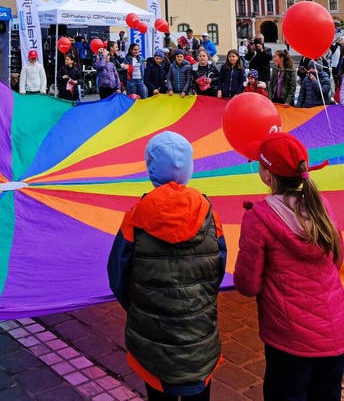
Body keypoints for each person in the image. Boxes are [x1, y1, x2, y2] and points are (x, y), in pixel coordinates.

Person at [107, 131, 226, 400]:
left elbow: (118, 275)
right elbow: (218, 268)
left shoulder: (136, 217)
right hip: (200, 338)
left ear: (151, 169)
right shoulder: (210, 215)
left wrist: (141, 307)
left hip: (153, 344)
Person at [233, 132, 344, 400]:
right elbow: (337, 259)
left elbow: (248, 285)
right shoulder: (321, 206)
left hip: (289, 340)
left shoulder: (259, 217)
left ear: (268, 175)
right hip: (335, 334)